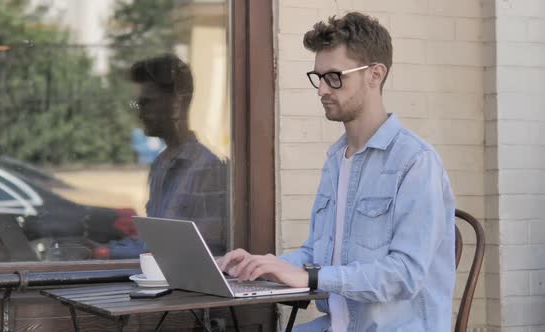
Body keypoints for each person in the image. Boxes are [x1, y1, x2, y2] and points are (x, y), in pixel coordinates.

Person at [217, 12, 455, 332]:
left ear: (375, 74)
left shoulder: (415, 162)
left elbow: (405, 275)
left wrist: (312, 277)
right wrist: (261, 265)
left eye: (335, 77)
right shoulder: (336, 160)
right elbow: (316, 255)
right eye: (318, 77)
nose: (322, 91)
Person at [100, 54, 228, 258]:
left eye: (146, 103)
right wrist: (102, 249)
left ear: (177, 101)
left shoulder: (207, 168)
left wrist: (106, 252)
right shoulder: (161, 163)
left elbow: (201, 254)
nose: (139, 113)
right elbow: (153, 243)